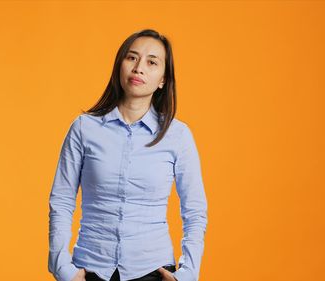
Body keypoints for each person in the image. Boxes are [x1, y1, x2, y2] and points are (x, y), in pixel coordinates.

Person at [48, 29, 208, 281]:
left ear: (163, 80)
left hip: (153, 270)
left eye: (151, 62)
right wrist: (62, 268)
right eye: (132, 58)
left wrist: (187, 274)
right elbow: (61, 200)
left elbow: (195, 210)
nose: (139, 68)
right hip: (90, 268)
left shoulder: (178, 135)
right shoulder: (84, 128)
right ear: (119, 65)